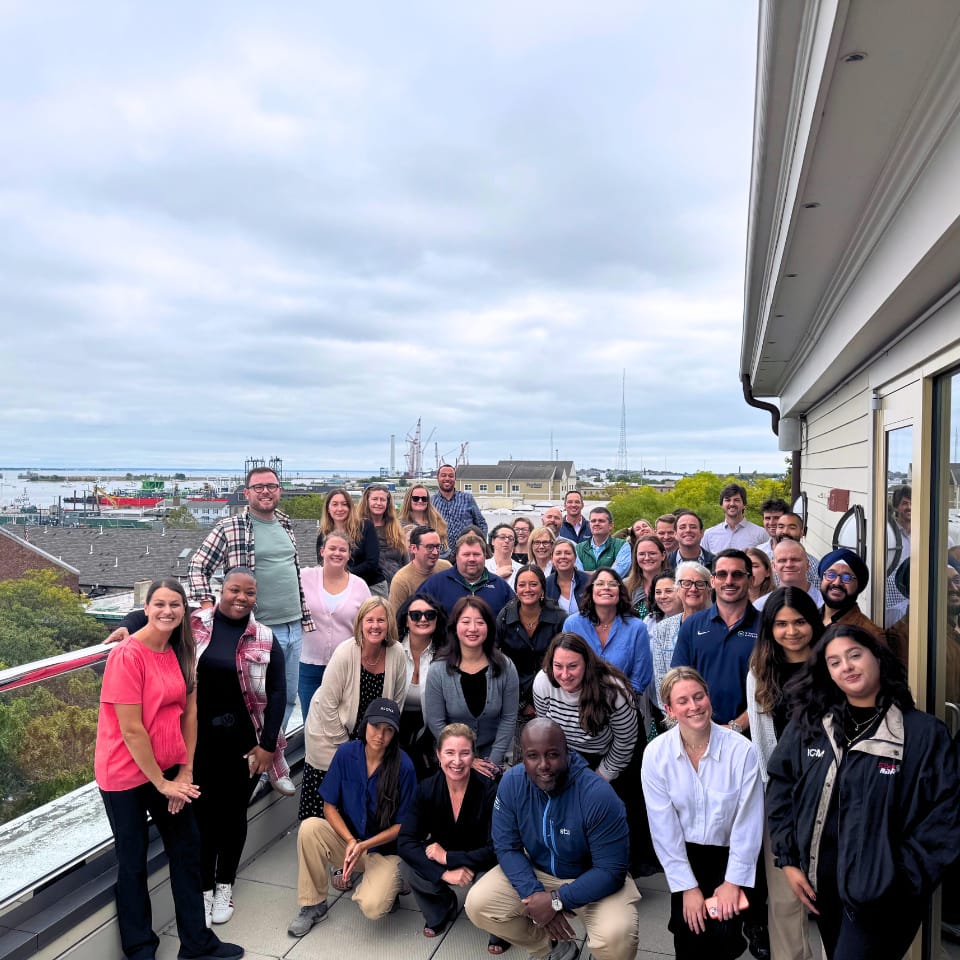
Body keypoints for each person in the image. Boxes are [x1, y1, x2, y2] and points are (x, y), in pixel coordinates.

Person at [766, 624, 960, 960]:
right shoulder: (811, 725)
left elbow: (944, 819)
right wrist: (789, 862)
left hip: (885, 899)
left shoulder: (922, 735)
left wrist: (899, 881)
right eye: (835, 662)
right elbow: (781, 787)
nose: (847, 667)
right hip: (822, 888)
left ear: (878, 659)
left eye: (855, 655)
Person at [94, 579, 243, 960]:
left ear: (184, 611)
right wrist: (162, 784)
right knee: (133, 859)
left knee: (187, 849)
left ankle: (196, 943)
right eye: (159, 604)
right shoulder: (126, 656)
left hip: (168, 772)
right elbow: (131, 728)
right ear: (145, 608)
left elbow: (189, 714)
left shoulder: (181, 651)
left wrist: (185, 773)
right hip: (126, 774)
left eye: (175, 605)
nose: (167, 611)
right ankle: (141, 948)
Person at [465, 719, 642, 960]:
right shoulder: (512, 783)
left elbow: (611, 870)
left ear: (567, 753)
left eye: (552, 755)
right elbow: (507, 847)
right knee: (478, 904)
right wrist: (536, 896)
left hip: (593, 878)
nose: (543, 765)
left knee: (617, 936)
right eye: (532, 756)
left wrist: (556, 901)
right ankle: (553, 949)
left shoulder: (598, 795)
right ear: (522, 757)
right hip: (540, 871)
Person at [186, 465, 313, 795]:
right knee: (254, 705)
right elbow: (198, 565)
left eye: (271, 486)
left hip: (292, 624)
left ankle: (271, 761)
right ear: (247, 493)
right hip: (257, 631)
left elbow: (291, 572)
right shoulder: (231, 525)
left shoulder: (285, 523)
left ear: (279, 490)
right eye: (258, 487)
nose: (265, 492)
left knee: (284, 700)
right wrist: (204, 604)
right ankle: (253, 768)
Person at [641, 667, 763, 960]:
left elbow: (748, 823)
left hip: (728, 856)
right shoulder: (656, 755)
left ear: (709, 698)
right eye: (683, 701)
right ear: (669, 709)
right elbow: (664, 828)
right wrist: (687, 887)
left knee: (725, 939)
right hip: (685, 856)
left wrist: (733, 882)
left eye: (699, 697)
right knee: (688, 935)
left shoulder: (741, 751)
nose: (694, 706)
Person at [189, 569, 289, 927]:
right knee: (201, 817)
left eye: (249, 593)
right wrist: (128, 624)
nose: (241, 598)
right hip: (197, 743)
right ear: (221, 590)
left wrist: (266, 747)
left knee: (232, 816)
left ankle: (224, 884)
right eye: (235, 590)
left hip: (244, 744)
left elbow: (278, 692)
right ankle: (202, 889)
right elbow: (153, 614)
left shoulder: (264, 636)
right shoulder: (195, 623)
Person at [289, 699, 416, 937]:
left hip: (384, 851)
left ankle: (393, 884)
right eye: (376, 726)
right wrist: (350, 841)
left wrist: (364, 845)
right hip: (352, 843)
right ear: (365, 724)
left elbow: (403, 824)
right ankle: (313, 905)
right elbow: (329, 807)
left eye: (388, 730)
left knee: (374, 907)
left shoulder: (405, 767)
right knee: (310, 828)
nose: (380, 735)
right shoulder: (346, 754)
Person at [745, 587, 823, 960]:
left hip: (830, 791)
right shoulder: (760, 670)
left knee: (830, 894)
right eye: (781, 624)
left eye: (800, 622)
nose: (792, 631)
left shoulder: (831, 663)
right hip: (781, 794)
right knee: (783, 898)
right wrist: (772, 791)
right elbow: (762, 740)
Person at [300, 597, 408, 820]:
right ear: (360, 624)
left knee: (358, 802)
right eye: (369, 620)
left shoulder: (396, 653)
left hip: (371, 737)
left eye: (381, 620)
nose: (375, 625)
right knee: (325, 803)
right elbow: (328, 704)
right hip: (329, 733)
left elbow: (395, 703)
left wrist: (377, 741)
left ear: (389, 624)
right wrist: (347, 749)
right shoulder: (345, 652)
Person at [397, 724, 498, 939]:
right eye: (450, 753)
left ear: (474, 756)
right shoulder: (426, 788)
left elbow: (496, 849)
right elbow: (405, 841)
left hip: (481, 861)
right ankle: (441, 909)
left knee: (495, 881)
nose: (457, 761)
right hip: (444, 859)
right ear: (438, 755)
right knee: (408, 866)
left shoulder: (490, 791)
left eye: (465, 753)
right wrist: (443, 872)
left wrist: (448, 857)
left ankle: (497, 929)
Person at [423, 596, 520, 777]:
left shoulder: (506, 667)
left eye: (479, 622)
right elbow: (436, 722)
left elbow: (508, 718)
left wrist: (492, 762)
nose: (473, 629)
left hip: (495, 759)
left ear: (489, 626)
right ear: (455, 627)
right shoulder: (438, 670)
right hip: (453, 760)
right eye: (466, 622)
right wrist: (468, 760)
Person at [671, 550, 759, 732]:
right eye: (721, 574)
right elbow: (679, 680)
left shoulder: (766, 627)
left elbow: (772, 687)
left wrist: (738, 725)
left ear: (751, 580)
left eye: (737, 575)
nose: (729, 581)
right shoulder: (692, 625)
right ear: (712, 581)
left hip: (751, 734)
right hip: (700, 730)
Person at [533, 632, 637, 784]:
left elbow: (625, 741)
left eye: (573, 666)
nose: (565, 674)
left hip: (603, 756)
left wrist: (603, 774)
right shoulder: (542, 682)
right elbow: (544, 728)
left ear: (587, 664)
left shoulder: (613, 691)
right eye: (558, 666)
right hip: (563, 755)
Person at [298, 532, 371, 713]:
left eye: (342, 550)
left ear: (349, 555)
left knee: (341, 720)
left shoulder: (360, 586)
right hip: (309, 664)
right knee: (311, 720)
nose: (337, 553)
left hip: (345, 666)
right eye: (332, 548)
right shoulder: (304, 577)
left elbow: (368, 624)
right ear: (322, 551)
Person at [563, 568, 652, 697]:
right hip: (578, 701)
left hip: (623, 703)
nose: (606, 588)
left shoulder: (637, 628)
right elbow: (565, 667)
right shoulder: (572, 624)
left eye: (612, 584)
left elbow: (639, 678)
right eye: (599, 584)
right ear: (591, 590)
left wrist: (618, 702)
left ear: (620, 591)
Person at [496, 565, 566, 724]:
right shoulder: (505, 617)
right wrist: (521, 704)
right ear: (516, 589)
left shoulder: (559, 617)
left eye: (533, 584)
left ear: (543, 588)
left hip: (552, 697)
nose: (527, 589)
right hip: (512, 697)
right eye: (522, 585)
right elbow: (493, 658)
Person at [395, 592, 448, 779]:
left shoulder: (446, 655)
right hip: (395, 729)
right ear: (406, 620)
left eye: (430, 615)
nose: (423, 619)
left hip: (430, 732)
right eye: (416, 615)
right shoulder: (393, 652)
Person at [649, 562, 712, 712]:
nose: (693, 589)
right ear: (677, 589)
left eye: (700, 584)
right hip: (676, 716)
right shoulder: (662, 629)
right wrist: (673, 716)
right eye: (686, 583)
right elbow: (661, 680)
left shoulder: (719, 626)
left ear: (709, 589)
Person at [420, 531, 515, 619]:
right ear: (457, 556)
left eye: (476, 554)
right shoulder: (436, 584)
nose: (472, 559)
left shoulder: (501, 587)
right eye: (466, 554)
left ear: (485, 556)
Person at [316, 487, 382, 592]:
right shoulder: (323, 534)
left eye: (344, 504)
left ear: (350, 507)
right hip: (338, 586)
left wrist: (344, 576)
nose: (340, 508)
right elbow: (323, 563)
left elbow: (372, 563)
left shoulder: (365, 527)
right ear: (328, 509)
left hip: (370, 586)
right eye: (335, 504)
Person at [817, 549, 885, 644]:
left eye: (847, 577)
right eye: (831, 575)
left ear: (858, 586)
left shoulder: (870, 634)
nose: (837, 582)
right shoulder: (808, 620)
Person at [388, 525, 451, 610]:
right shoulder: (401, 581)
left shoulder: (446, 568)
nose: (435, 552)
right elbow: (396, 619)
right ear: (414, 548)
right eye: (429, 547)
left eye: (437, 547)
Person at [358, 483, 408, 590]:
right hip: (370, 586)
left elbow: (405, 560)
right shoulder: (358, 527)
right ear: (367, 501)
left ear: (388, 503)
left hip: (396, 584)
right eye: (375, 499)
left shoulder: (396, 528)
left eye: (382, 500)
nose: (378, 503)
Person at [432, 464, 487, 556]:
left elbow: (481, 524)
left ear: (455, 478)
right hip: (443, 555)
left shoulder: (467, 498)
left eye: (451, 476)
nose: (447, 478)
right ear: (437, 478)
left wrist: (481, 546)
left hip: (467, 552)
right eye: (443, 475)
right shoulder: (432, 502)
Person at [755, 539, 822, 610]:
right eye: (782, 560)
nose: (789, 565)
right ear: (774, 566)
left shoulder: (825, 605)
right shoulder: (760, 607)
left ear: (807, 564)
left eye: (795, 560)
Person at [701, 483, 767, 554]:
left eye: (736, 500)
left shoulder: (761, 534)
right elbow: (702, 562)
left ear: (744, 504)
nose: (732, 504)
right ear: (721, 504)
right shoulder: (709, 534)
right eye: (727, 500)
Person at [576, 507, 631, 576]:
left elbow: (616, 575)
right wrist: (609, 571)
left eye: (601, 521)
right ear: (589, 525)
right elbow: (578, 576)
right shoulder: (578, 548)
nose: (596, 523)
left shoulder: (622, 546)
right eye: (593, 521)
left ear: (611, 525)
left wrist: (589, 573)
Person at [624, 534, 668, 619]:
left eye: (652, 553)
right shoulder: (625, 585)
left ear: (663, 555)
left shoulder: (675, 583)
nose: (647, 558)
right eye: (641, 554)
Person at [399, 483, 449, 553]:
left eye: (424, 498)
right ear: (408, 500)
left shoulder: (438, 522)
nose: (420, 501)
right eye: (415, 498)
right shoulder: (400, 525)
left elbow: (445, 549)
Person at [545, 538, 590, 616]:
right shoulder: (546, 584)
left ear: (575, 557)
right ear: (552, 558)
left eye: (568, 553)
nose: (563, 556)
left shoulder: (588, 581)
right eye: (558, 553)